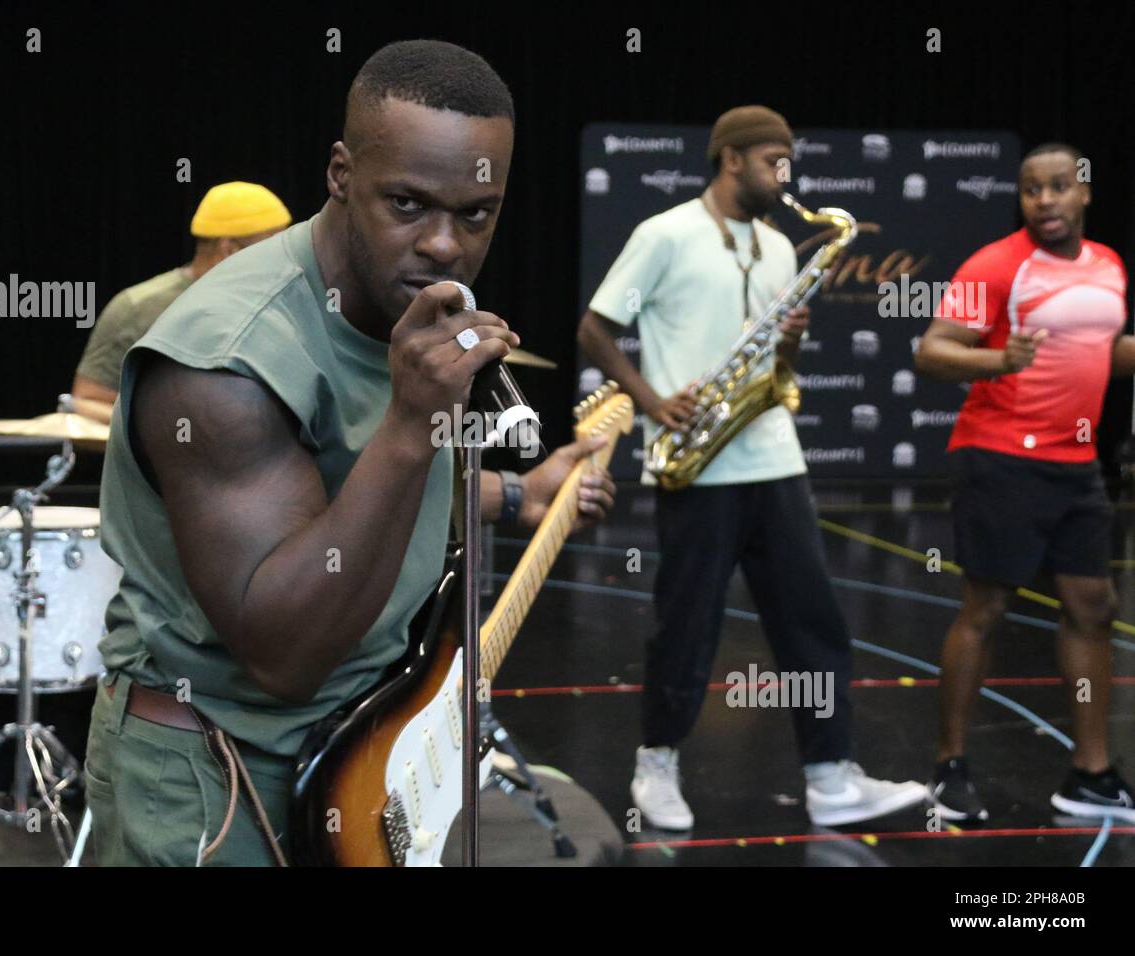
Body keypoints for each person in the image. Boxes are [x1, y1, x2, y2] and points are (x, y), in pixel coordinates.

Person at [84, 39, 617, 866]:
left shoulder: (406, 317)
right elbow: (284, 657)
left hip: (363, 741)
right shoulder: (224, 364)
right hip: (220, 778)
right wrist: (412, 421)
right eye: (406, 204)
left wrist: (519, 496)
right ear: (341, 175)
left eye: (475, 215)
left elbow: (352, 499)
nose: (444, 244)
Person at [577, 105, 926, 830]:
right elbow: (596, 329)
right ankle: (658, 763)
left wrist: (791, 341)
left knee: (812, 623)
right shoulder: (664, 234)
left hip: (774, 455)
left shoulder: (777, 248)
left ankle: (830, 776)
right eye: (775, 161)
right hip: (699, 464)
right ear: (731, 158)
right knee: (688, 624)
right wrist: (650, 401)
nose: (785, 175)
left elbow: (780, 368)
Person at [916, 142, 1135, 822]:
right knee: (984, 609)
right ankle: (948, 770)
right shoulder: (998, 264)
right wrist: (994, 359)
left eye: (1058, 187)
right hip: (1002, 455)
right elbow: (930, 349)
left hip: (1077, 464)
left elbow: (1105, 353)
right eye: (1032, 190)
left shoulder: (1109, 265)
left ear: (1084, 192)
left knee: (1093, 606)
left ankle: (1089, 775)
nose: (1045, 200)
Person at [71, 181, 292, 409]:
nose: (283, 260)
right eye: (273, 247)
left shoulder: (277, 305)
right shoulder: (137, 307)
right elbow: (86, 403)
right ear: (229, 249)